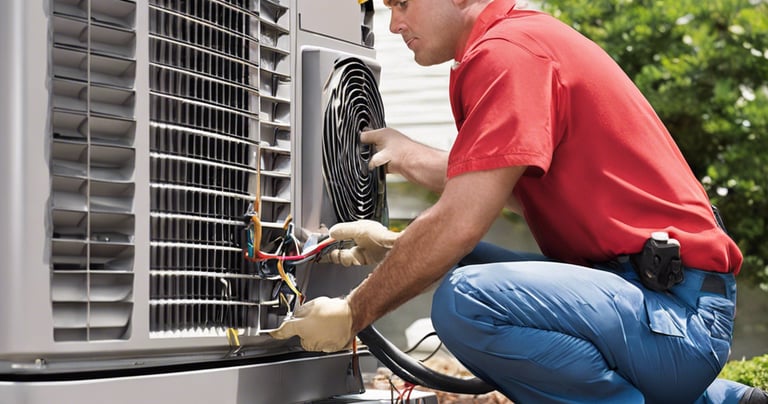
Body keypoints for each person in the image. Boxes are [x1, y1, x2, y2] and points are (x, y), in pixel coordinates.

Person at [272, 0, 768, 402]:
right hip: (649, 299)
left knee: (467, 297)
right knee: (458, 260)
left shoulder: (508, 54)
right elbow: (492, 182)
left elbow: (461, 220)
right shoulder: (516, 42)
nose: (395, 22)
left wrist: (353, 312)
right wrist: (396, 240)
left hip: (675, 315)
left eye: (403, 3)